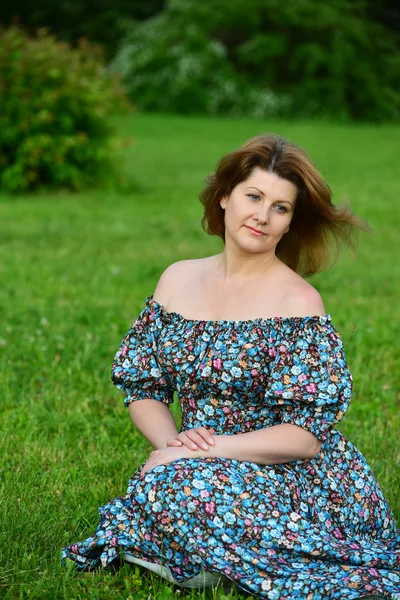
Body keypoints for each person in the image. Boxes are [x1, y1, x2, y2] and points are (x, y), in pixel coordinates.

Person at [61, 134, 400, 599]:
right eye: (254, 196)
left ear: (288, 224)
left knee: (174, 491)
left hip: (294, 475)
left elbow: (303, 437)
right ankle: (213, 557)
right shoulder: (177, 279)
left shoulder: (297, 302)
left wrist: (206, 451)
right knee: (164, 480)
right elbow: (142, 382)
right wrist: (173, 446)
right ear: (224, 197)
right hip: (203, 461)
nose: (262, 215)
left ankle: (231, 562)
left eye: (280, 208)